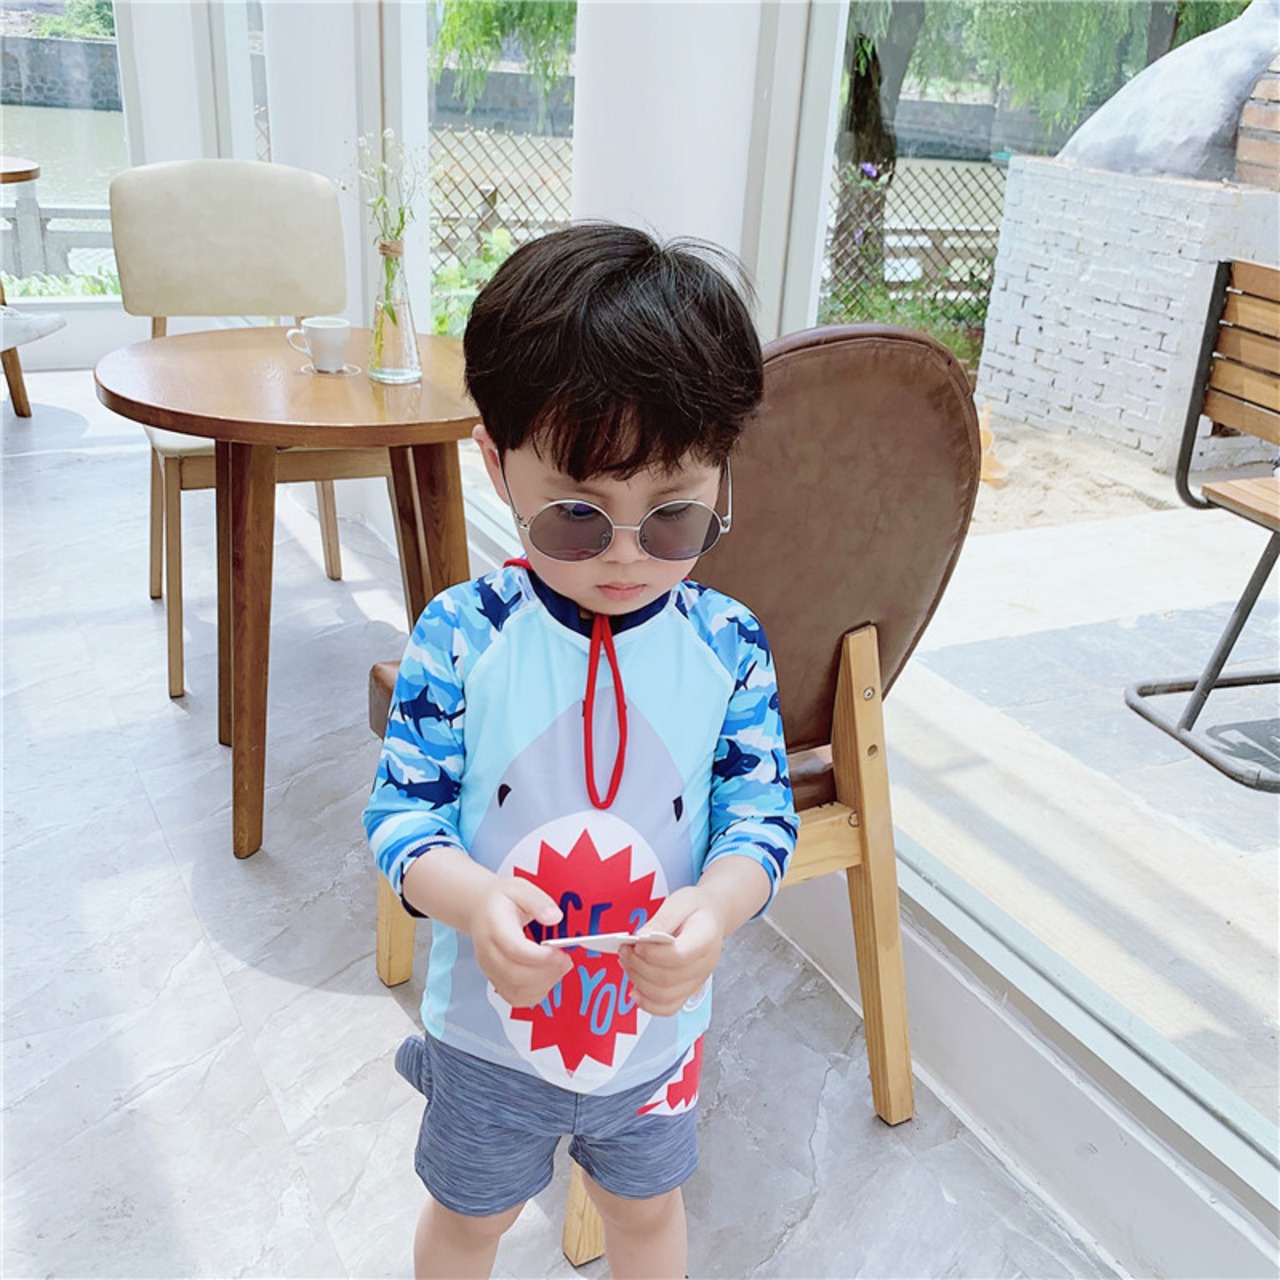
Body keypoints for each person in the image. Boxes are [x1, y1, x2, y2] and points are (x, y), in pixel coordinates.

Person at [364, 222, 798, 1280]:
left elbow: (761, 819)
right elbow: (402, 818)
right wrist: (473, 899)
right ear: (494, 463)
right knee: (468, 1222)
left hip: (654, 1035)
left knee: (646, 1218)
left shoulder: (728, 645)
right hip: (487, 1035)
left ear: (721, 476)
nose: (625, 556)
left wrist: (718, 907)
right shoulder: (463, 636)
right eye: (575, 516)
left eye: (673, 517)